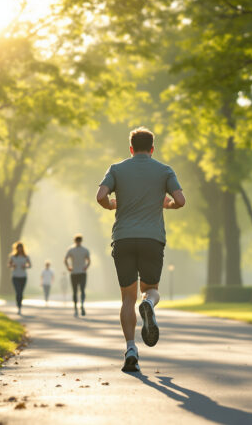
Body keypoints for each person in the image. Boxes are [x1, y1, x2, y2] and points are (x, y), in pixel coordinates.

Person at [96, 127, 186, 372]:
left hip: (123, 238)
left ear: (131, 148)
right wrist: (166, 205)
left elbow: (100, 195)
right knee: (152, 290)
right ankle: (149, 304)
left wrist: (110, 204)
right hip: (152, 239)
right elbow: (181, 200)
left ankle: (130, 349)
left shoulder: (117, 169)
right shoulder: (165, 171)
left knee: (127, 297)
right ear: (153, 148)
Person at [64, 234, 90, 317]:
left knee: (78, 290)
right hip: (78, 272)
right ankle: (77, 307)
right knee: (78, 290)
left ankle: (79, 307)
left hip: (78, 272)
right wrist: (86, 266)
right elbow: (89, 261)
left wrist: (68, 267)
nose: (78, 242)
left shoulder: (72, 249)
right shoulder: (83, 250)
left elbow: (65, 259)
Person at [8, 241, 32, 315]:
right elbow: (9, 265)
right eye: (18, 248)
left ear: (22, 248)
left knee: (21, 292)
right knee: (18, 292)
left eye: (21, 248)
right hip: (15, 276)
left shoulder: (26, 257)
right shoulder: (13, 256)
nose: (20, 249)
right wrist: (13, 266)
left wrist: (25, 266)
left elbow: (30, 265)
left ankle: (20, 306)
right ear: (16, 248)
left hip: (23, 277)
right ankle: (18, 306)